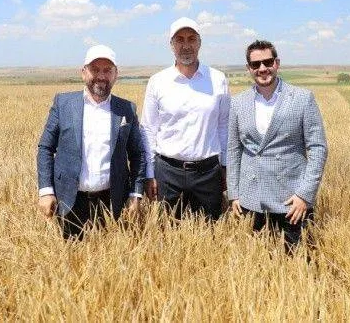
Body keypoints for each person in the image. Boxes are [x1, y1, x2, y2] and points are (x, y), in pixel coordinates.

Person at [36, 44, 146, 239]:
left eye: (107, 70)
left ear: (116, 74)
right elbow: (46, 148)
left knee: (112, 255)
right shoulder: (63, 104)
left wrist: (135, 194)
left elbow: (138, 154)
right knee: (70, 254)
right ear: (83, 72)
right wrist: (46, 191)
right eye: (95, 69)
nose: (101, 76)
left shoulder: (127, 109)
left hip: (112, 202)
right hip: (69, 201)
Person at [227, 40, 327, 250]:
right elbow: (234, 150)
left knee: (298, 261)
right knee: (256, 263)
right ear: (249, 68)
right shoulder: (238, 103)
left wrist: (304, 195)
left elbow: (318, 149)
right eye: (256, 64)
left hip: (291, 203)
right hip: (251, 201)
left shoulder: (302, 98)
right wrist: (234, 194)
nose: (263, 68)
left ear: (277, 63)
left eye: (268, 62)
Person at [142, 17, 230, 220]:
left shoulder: (218, 79)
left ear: (199, 43)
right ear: (171, 45)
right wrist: (149, 173)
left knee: (210, 233)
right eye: (180, 40)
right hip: (167, 173)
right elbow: (148, 129)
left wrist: (225, 167)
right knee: (166, 233)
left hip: (208, 173)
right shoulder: (158, 81)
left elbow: (224, 126)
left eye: (191, 39)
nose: (186, 45)